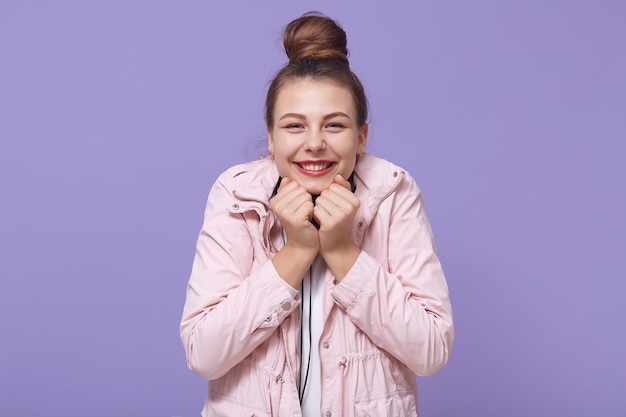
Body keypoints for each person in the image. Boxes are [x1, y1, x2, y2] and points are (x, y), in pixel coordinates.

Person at [180, 12, 454, 417]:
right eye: (294, 126)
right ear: (271, 138)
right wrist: (295, 252)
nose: (314, 144)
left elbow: (431, 350)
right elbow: (203, 354)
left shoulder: (393, 191)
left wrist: (343, 251)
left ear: (361, 137)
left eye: (334, 125)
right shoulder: (237, 194)